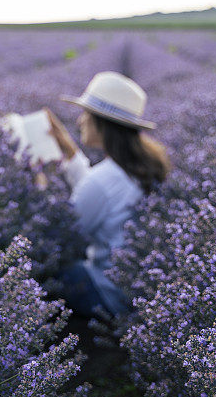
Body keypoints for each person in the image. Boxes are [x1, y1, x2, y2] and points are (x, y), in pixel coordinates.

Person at [43, 71, 170, 319]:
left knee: (39, 274)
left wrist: (39, 182)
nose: (80, 121)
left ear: (102, 122)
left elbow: (68, 230)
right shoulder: (139, 165)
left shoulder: (103, 179)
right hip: (136, 294)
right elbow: (99, 194)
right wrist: (70, 152)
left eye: (86, 114)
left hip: (106, 295)